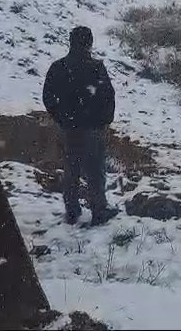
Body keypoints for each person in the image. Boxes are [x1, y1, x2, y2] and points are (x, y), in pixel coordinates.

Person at [43, 26, 118, 226]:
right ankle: (99, 210)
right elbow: (108, 96)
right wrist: (104, 121)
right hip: (92, 128)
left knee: (71, 169)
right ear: (89, 43)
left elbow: (48, 98)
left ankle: (72, 210)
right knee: (95, 171)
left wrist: (61, 118)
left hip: (70, 128)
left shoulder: (58, 67)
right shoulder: (95, 67)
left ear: (71, 42)